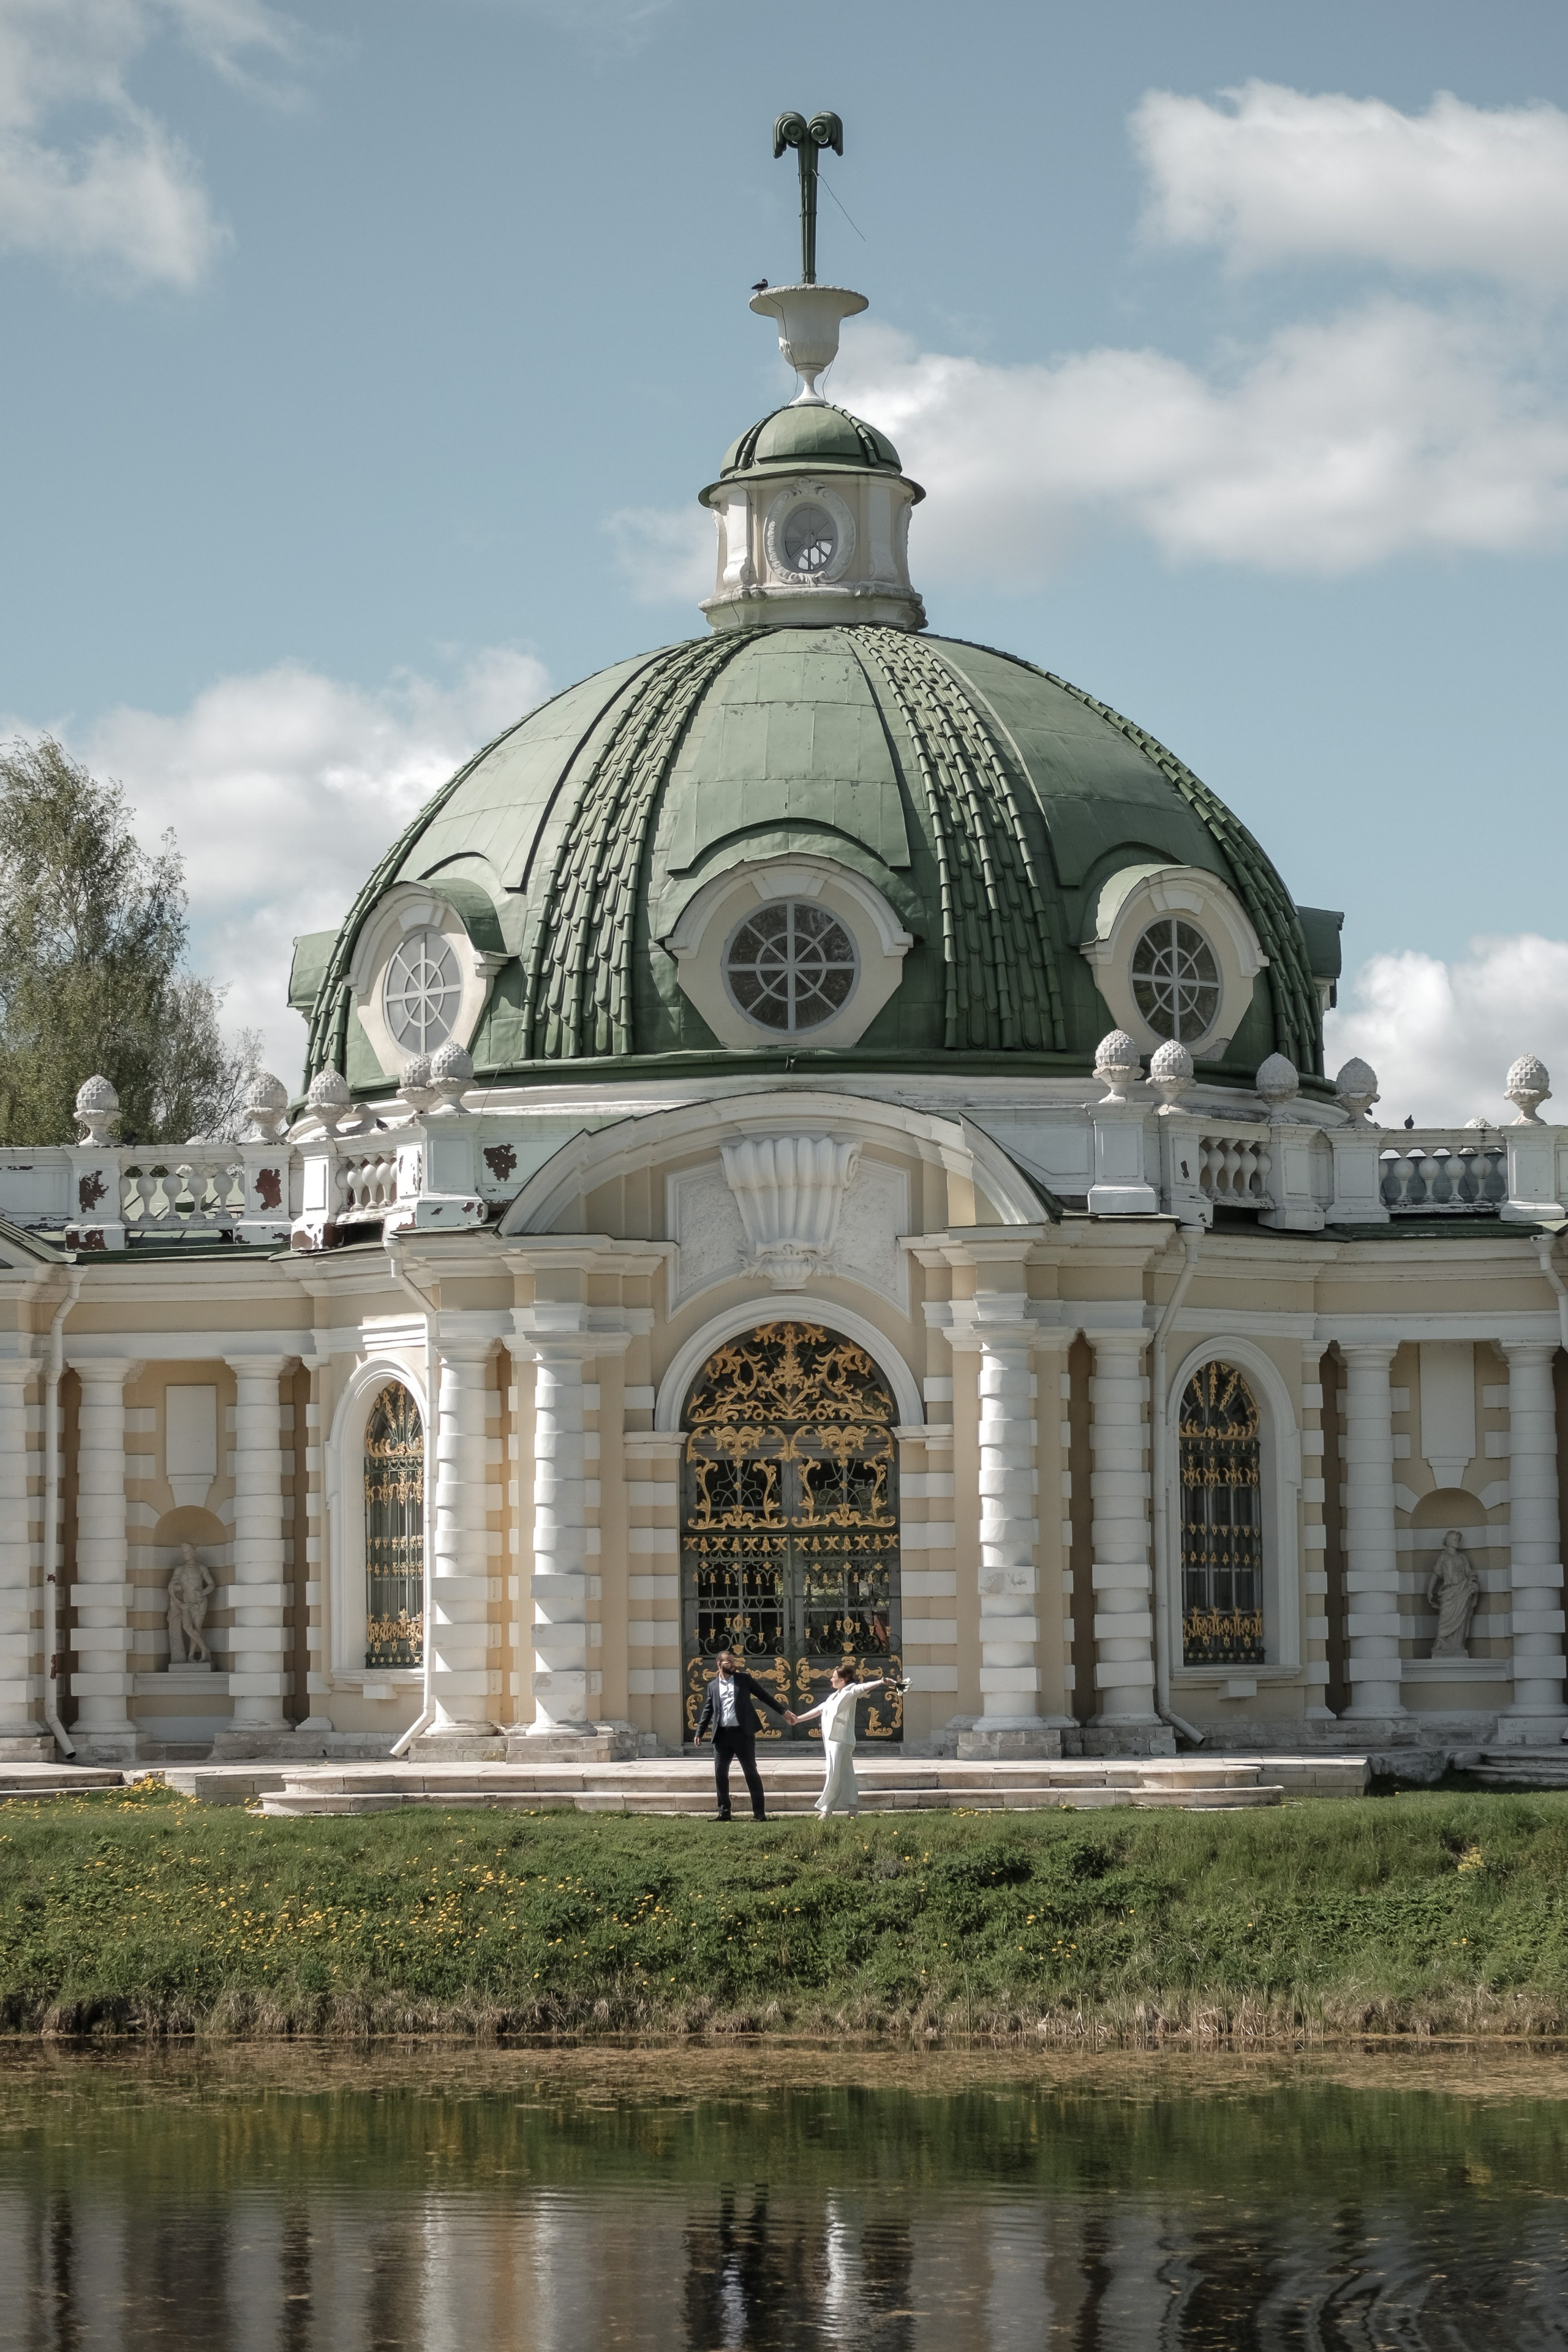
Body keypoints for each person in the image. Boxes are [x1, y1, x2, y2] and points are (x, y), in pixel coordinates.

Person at [787, 1662, 905, 1819]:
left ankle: (827, 1810)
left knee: (833, 1771)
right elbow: (819, 1709)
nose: (831, 1680)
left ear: (843, 1680)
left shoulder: (850, 1691)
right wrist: (798, 1720)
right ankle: (853, 1809)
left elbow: (863, 1687)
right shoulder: (833, 1696)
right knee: (847, 1773)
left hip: (841, 1740)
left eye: (834, 1677)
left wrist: (882, 1681)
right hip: (831, 1741)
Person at [692, 1647, 791, 1820]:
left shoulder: (744, 1680)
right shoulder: (713, 1686)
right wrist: (700, 1731)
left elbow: (763, 1696)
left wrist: (783, 1711)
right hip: (722, 1736)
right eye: (729, 1661)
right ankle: (724, 1812)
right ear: (719, 1664)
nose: (733, 1664)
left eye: (734, 1661)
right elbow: (708, 1709)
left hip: (743, 1734)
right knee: (720, 1773)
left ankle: (759, 1814)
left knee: (751, 1772)